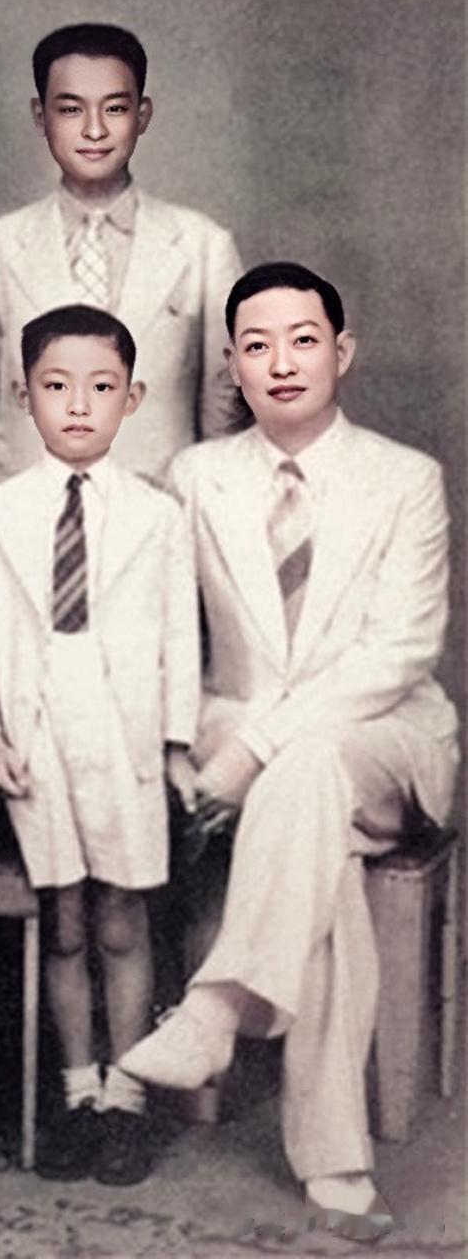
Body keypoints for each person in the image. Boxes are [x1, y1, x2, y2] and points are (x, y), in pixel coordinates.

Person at [120, 262, 460, 1242]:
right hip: (245, 737)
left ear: (341, 352)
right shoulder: (197, 476)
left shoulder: (404, 478)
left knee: (310, 765)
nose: (280, 362)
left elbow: (398, 652)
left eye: (303, 340)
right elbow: (164, 631)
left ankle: (214, 1009)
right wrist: (187, 742)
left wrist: (256, 747)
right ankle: (336, 1165)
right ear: (231, 365)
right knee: (323, 849)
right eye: (256, 345)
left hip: (385, 740)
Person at [0, 304, 199, 1183]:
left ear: (132, 398)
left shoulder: (157, 516)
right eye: (56, 386)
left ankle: (126, 1098)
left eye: (100, 387)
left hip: (121, 730)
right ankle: (76, 1092)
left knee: (122, 917)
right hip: (37, 731)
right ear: (25, 396)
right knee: (61, 922)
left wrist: (173, 743)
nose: (79, 405)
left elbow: (179, 639)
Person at [0, 22, 242, 478]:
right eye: (70, 110)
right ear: (40, 116)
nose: (95, 130)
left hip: (159, 501)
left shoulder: (204, 247)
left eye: (115, 108)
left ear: (142, 115)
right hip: (24, 501)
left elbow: (224, 409)